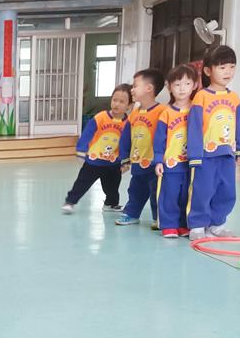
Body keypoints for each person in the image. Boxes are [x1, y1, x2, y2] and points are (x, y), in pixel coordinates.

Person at [186, 44, 240, 241]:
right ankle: (197, 225)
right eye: (222, 67)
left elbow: (239, 125)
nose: (228, 71)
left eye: (232, 66)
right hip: (205, 155)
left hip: (227, 154)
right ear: (208, 71)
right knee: (202, 190)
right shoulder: (201, 97)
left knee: (226, 191)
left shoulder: (234, 98)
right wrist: (195, 155)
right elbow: (194, 127)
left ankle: (217, 224)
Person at [61, 84, 131, 213]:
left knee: (113, 186)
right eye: (114, 100)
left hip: (113, 162)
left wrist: (126, 161)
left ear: (129, 105)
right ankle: (70, 201)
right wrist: (81, 150)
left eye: (122, 101)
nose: (116, 104)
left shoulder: (128, 123)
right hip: (94, 160)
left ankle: (111, 204)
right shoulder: (101, 117)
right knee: (82, 183)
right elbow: (87, 133)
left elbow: (127, 143)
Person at [115, 68, 167, 227]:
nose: (132, 89)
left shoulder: (162, 111)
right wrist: (125, 158)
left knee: (156, 192)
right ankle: (131, 214)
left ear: (149, 88)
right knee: (135, 190)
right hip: (138, 161)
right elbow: (125, 136)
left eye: (135, 86)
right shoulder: (135, 113)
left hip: (155, 163)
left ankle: (159, 218)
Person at [153, 64, 196, 238]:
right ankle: (169, 224)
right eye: (177, 84)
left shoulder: (197, 109)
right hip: (171, 163)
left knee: (187, 194)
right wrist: (158, 160)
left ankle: (183, 224)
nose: (182, 88)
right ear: (169, 87)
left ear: (194, 85)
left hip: (192, 163)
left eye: (187, 84)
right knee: (169, 194)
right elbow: (159, 139)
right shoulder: (166, 113)